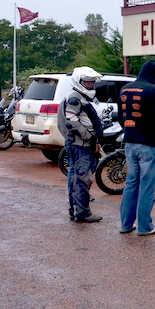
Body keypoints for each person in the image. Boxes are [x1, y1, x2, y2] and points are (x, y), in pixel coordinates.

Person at [118, 60, 155, 236]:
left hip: (130, 142)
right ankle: (145, 227)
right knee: (147, 186)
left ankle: (126, 224)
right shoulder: (154, 90)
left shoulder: (125, 89)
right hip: (149, 144)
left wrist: (130, 130)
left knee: (131, 184)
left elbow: (121, 117)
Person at [60, 67, 104, 223]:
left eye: (92, 82)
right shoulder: (75, 98)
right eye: (87, 82)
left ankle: (77, 210)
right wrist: (88, 137)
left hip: (83, 143)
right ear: (79, 82)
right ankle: (82, 212)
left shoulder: (80, 96)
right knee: (82, 178)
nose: (91, 85)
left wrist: (94, 141)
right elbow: (71, 120)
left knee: (78, 177)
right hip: (80, 144)